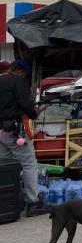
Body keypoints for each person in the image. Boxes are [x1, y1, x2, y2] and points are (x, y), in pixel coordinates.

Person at [0, 60, 48, 217]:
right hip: (14, 130)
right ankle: (33, 202)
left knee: (6, 165)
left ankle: (9, 201)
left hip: (1, 131)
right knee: (29, 163)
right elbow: (25, 104)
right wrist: (35, 112)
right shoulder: (18, 81)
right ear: (20, 71)